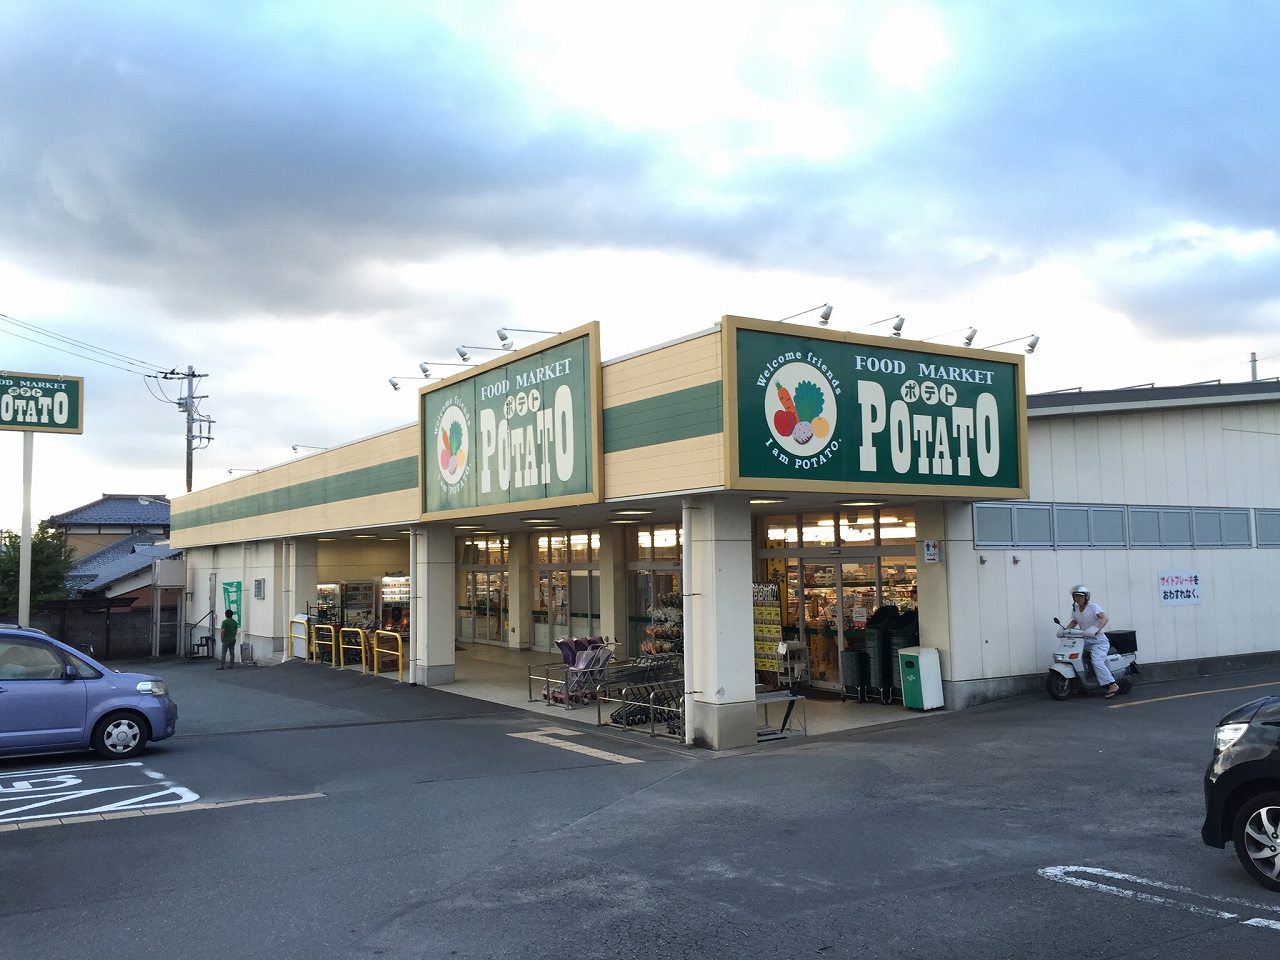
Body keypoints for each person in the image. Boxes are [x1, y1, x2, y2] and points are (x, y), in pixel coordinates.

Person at [1066, 585, 1117, 697]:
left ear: (1086, 597)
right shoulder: (1075, 609)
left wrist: (1096, 629)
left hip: (1098, 641)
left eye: (1080, 596)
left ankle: (1112, 684)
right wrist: (1065, 631)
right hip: (1084, 641)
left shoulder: (1093, 607)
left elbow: (1104, 618)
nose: (1078, 598)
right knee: (1074, 658)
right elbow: (1074, 622)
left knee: (1096, 661)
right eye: (1075, 596)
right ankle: (1080, 684)